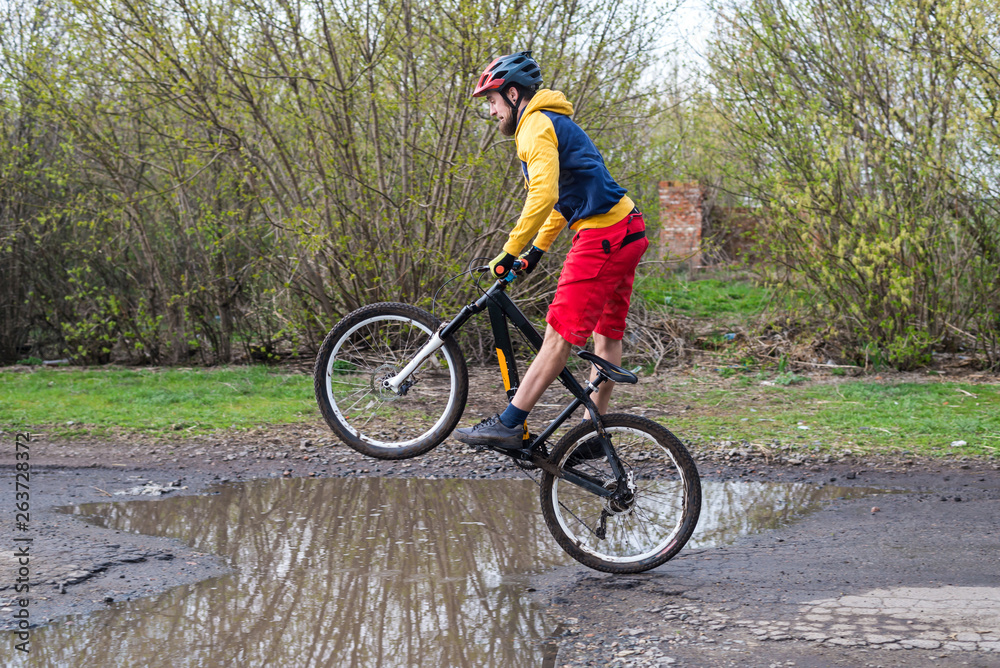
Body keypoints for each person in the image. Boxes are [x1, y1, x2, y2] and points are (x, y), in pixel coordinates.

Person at [454, 51, 649, 449]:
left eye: (491, 102)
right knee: (607, 334)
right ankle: (595, 434)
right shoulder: (553, 121)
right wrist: (537, 250)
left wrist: (510, 249)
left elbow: (543, 194)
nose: (491, 113)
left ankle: (510, 423)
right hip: (628, 229)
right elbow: (564, 200)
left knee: (559, 335)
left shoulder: (534, 126)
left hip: (604, 235)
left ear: (512, 94)